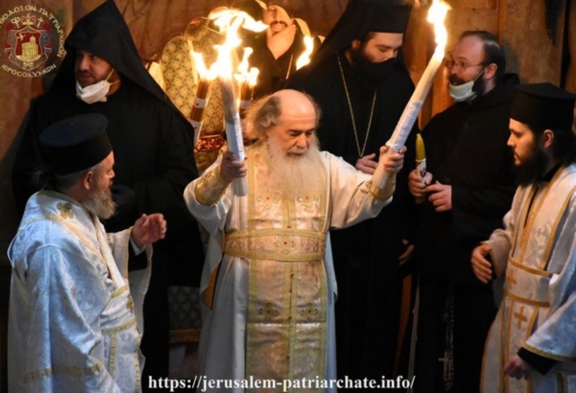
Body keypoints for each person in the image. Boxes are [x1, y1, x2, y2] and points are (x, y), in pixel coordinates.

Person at [11, 1, 204, 384]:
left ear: (116, 60)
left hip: (139, 251)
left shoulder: (156, 113)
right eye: (79, 55)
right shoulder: (52, 109)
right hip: (73, 244)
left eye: (96, 57)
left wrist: (135, 204)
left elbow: (182, 181)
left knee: (142, 360)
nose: (83, 65)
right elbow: (28, 178)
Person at [183, 89, 406, 391]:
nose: (303, 143)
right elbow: (199, 204)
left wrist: (385, 172)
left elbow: (366, 199)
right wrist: (222, 175)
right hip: (245, 298)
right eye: (294, 133)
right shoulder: (238, 165)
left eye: (310, 133)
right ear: (266, 126)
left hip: (309, 298)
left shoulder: (325, 166)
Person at [285, 0, 418, 383]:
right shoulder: (311, 82)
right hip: (328, 237)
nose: (391, 58)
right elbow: (292, 155)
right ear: (356, 42)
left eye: (396, 50)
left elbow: (412, 154)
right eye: (382, 49)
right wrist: (345, 169)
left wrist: (408, 224)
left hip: (381, 235)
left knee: (375, 333)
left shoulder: (400, 83)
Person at [8, 114, 167, 392]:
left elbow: (90, 257)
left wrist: (131, 241)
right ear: (88, 179)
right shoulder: (52, 245)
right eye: (109, 172)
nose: (113, 178)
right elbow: (72, 347)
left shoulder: (64, 206)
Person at [407, 31, 518, 391]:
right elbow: (426, 174)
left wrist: (461, 198)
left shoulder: (515, 120)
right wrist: (417, 186)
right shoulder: (444, 121)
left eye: (462, 65)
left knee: (473, 362)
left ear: (489, 70)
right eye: (451, 63)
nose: (452, 72)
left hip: (483, 263)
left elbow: (521, 197)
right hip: (438, 262)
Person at [471, 83, 576, 392]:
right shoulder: (529, 182)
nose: (509, 142)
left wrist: (540, 349)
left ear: (547, 138)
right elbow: (514, 232)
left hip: (545, 345)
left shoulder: (572, 193)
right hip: (509, 327)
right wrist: (491, 251)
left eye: (518, 134)